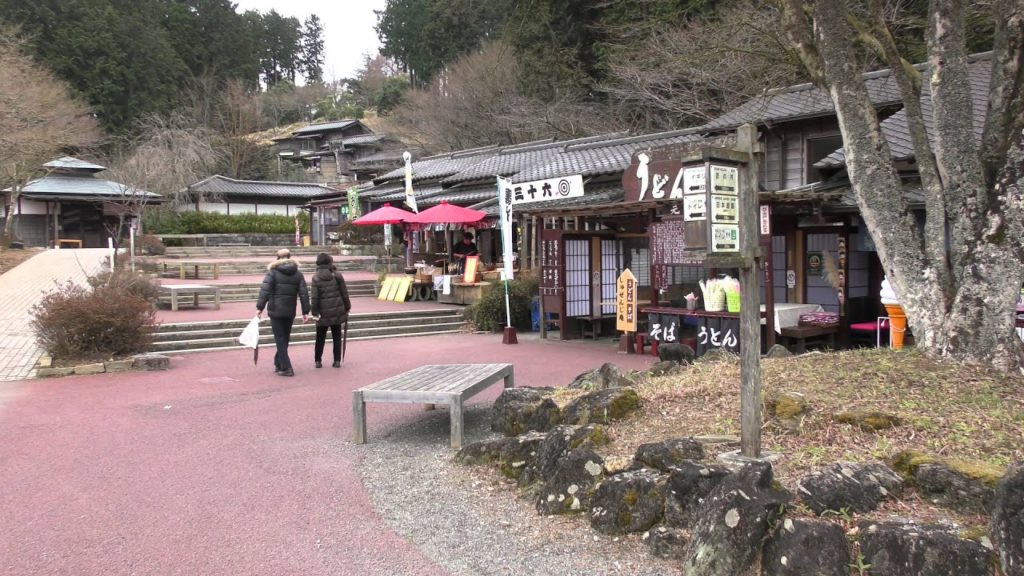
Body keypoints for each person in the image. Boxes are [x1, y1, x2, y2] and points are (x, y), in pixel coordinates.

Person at [256, 248, 309, 377]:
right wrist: (305, 311)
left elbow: (265, 291)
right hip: (290, 310)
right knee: (284, 339)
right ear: (290, 257)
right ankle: (278, 362)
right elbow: (304, 294)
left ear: (277, 258)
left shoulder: (272, 273)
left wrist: (260, 307)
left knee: (280, 339)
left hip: (275, 310)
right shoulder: (298, 274)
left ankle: (287, 367)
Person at [309, 253, 352, 368]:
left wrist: (314, 312)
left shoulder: (316, 277)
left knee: (320, 337)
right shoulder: (337, 275)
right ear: (330, 262)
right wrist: (347, 307)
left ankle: (318, 361)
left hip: (322, 313)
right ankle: (337, 360)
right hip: (337, 309)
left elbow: (314, 298)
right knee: (337, 336)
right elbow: (344, 293)